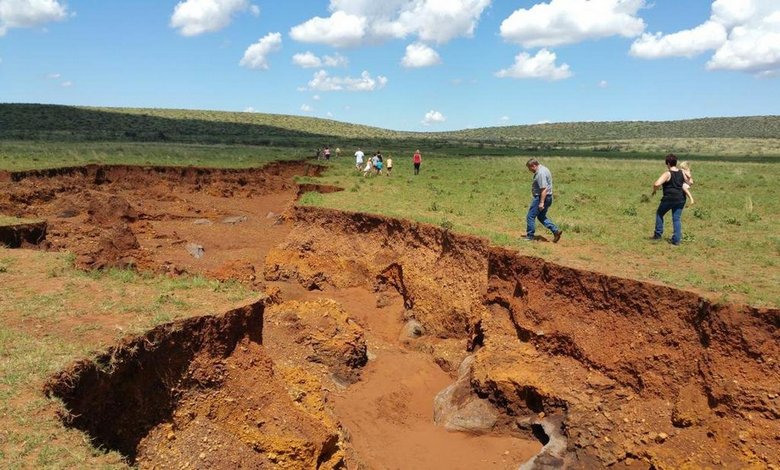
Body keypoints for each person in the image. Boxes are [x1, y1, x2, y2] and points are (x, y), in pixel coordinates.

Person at [524, 158, 562, 243]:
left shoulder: (540, 173)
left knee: (530, 216)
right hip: (548, 197)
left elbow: (543, 189)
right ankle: (555, 231)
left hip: (541, 198)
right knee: (541, 216)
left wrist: (541, 202)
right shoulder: (545, 168)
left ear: (533, 165)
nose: (529, 170)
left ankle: (530, 236)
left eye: (530, 168)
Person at [651, 153, 686, 245]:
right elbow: (690, 182)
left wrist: (654, 190)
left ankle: (658, 235)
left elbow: (656, 184)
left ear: (668, 164)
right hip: (681, 198)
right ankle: (676, 240)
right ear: (676, 162)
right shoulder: (682, 172)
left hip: (669, 198)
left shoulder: (668, 173)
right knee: (676, 218)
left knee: (659, 213)